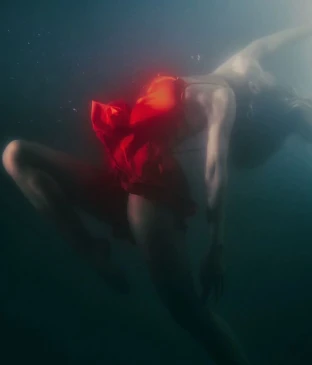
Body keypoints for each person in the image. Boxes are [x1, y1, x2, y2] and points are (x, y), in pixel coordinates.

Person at [2, 24, 312, 365]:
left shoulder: (226, 99)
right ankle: (91, 250)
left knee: (190, 315)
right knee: (16, 154)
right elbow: (264, 43)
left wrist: (215, 246)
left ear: (258, 94)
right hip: (124, 170)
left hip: (152, 186)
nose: (267, 72)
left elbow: (215, 168)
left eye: (276, 83)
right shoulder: (235, 70)